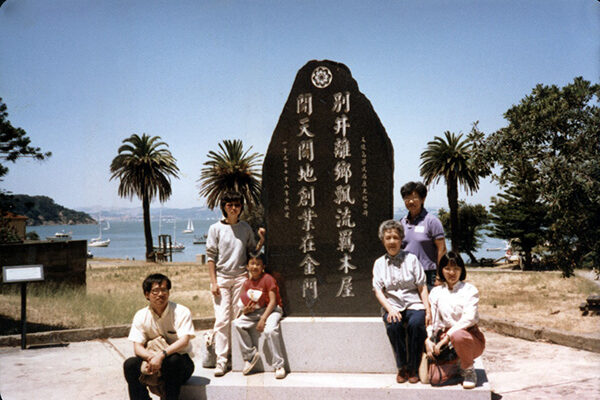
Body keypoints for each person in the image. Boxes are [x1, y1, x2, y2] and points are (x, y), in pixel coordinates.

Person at [206, 191, 266, 376]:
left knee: (236, 319)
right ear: (224, 206)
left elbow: (252, 252)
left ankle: (235, 357)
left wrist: (262, 239)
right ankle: (221, 361)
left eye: (237, 205)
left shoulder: (245, 228)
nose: (234, 208)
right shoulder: (215, 229)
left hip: (241, 278)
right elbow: (210, 257)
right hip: (222, 280)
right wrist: (213, 282)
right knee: (222, 320)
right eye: (230, 204)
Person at [372, 219, 431, 384]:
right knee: (394, 325)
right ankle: (402, 367)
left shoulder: (412, 259)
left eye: (395, 238)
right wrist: (390, 309)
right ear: (383, 240)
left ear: (401, 240)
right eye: (388, 238)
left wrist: (427, 309)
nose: (392, 241)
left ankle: (413, 367)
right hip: (392, 304)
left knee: (416, 323)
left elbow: (422, 287)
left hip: (414, 303)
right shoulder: (379, 264)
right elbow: (378, 291)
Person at [123, 273, 195, 400]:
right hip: (152, 361)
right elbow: (137, 347)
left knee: (174, 361)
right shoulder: (141, 315)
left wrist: (161, 356)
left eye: (164, 290)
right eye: (155, 291)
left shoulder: (181, 312)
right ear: (147, 294)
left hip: (180, 365)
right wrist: (151, 358)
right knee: (130, 365)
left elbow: (184, 341)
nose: (161, 294)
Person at [425, 252, 485, 389]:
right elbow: (434, 321)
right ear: (441, 270)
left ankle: (469, 370)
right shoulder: (436, 292)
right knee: (435, 379)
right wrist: (429, 339)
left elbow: (468, 319)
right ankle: (457, 366)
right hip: (444, 341)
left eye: (456, 268)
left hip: (468, 338)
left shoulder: (470, 290)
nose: (452, 272)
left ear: (462, 270)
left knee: (457, 335)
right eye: (447, 268)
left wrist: (446, 338)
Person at [233, 251, 286, 379]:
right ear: (247, 266)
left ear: (263, 267)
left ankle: (279, 365)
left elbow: (273, 302)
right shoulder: (247, 283)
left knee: (270, 331)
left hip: (272, 310)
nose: (254, 267)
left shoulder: (268, 279)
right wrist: (246, 311)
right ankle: (250, 356)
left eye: (258, 264)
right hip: (257, 311)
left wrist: (263, 319)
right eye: (252, 263)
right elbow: (246, 305)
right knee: (237, 324)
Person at [400, 181, 447, 289]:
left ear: (423, 199)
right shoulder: (402, 222)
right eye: (407, 198)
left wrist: (439, 276)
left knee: (429, 305)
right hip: (407, 274)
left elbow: (442, 249)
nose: (411, 201)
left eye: (415, 197)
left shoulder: (432, 221)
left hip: (428, 274)